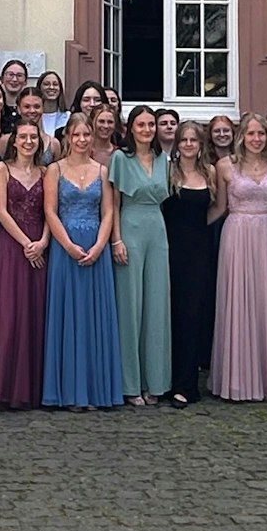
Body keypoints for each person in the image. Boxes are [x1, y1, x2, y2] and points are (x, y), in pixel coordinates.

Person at [41, 115, 124, 410]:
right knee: (68, 316)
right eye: (76, 135)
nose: (82, 140)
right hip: (66, 249)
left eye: (86, 134)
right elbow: (50, 212)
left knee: (94, 318)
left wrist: (101, 245)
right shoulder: (54, 170)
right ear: (68, 138)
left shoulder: (102, 171)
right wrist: (68, 246)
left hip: (95, 249)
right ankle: (67, 391)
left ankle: (95, 389)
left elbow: (108, 212)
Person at [210, 112, 267, 402]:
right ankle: (237, 381)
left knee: (265, 302)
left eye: (261, 134)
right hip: (237, 235)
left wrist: (264, 222)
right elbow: (220, 207)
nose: (256, 139)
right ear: (241, 136)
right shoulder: (225, 166)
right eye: (250, 134)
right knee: (238, 301)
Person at [0, 122, 49, 409]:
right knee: (8, 313)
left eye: (33, 137)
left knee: (34, 313)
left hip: (40, 246)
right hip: (9, 246)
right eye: (23, 137)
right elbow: (1, 211)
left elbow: (51, 210)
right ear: (13, 141)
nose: (28, 142)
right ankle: (3, 386)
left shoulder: (46, 172)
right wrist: (26, 244)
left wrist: (41, 241)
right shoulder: (0, 169)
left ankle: (33, 387)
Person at [108, 105, 172, 405]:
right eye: (141, 125)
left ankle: (154, 382)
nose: (147, 130)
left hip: (157, 231)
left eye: (151, 125)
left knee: (156, 307)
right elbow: (114, 204)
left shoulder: (163, 159)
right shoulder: (120, 158)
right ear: (130, 128)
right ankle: (129, 383)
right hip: (130, 230)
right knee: (130, 306)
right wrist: (116, 240)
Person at [163, 120, 220, 407]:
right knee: (170, 314)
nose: (188, 144)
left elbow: (219, 206)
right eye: (183, 140)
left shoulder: (210, 172)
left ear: (200, 145)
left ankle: (187, 384)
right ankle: (167, 380)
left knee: (193, 315)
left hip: (199, 250)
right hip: (170, 249)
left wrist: (198, 226)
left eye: (193, 140)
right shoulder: (167, 171)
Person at [37, 72, 68, 136]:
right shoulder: (33, 116)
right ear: (39, 88)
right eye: (46, 84)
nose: (51, 87)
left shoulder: (68, 117)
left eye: (55, 84)